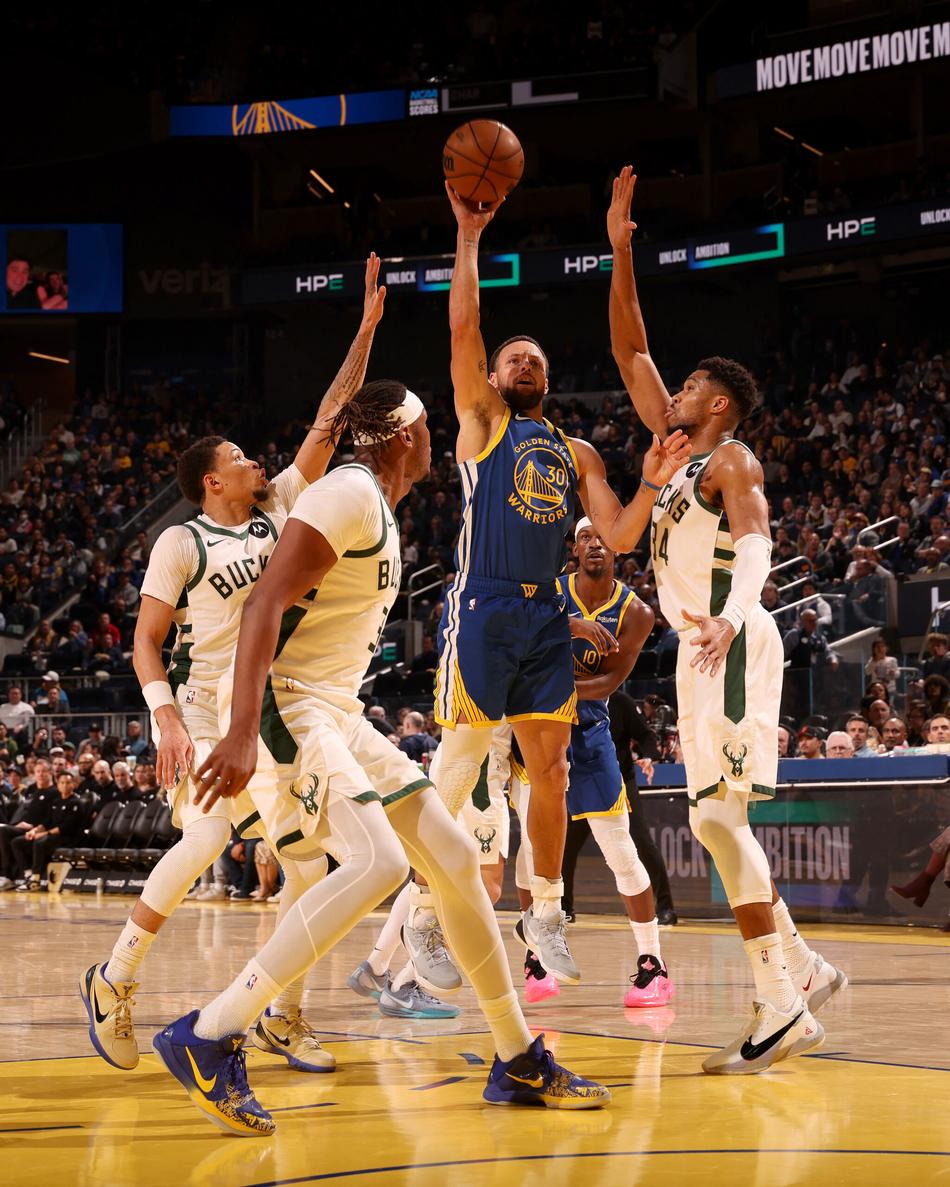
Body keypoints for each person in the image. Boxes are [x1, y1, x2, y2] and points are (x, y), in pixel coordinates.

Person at [152, 380, 611, 1136]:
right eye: (429, 424)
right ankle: (210, 1032)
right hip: (288, 705)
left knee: (457, 859)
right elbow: (265, 603)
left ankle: (517, 1054)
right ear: (404, 435)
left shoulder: (374, 502)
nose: (437, 437)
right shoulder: (348, 493)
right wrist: (238, 732)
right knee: (381, 864)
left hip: (333, 707)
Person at [79, 255, 388, 1076]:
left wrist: (363, 330)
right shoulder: (182, 539)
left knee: (309, 859)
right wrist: (165, 716)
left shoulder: (282, 506)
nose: (262, 461)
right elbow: (145, 638)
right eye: (245, 457)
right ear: (214, 480)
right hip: (209, 711)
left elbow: (327, 422)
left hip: (267, 708)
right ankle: (115, 979)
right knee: (213, 835)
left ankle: (283, 1015)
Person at [608, 163, 845, 1075]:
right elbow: (633, 353)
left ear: (715, 402)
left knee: (719, 822)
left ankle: (780, 1001)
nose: (667, 396)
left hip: (730, 636)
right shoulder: (672, 458)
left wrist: (732, 619)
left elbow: (756, 540)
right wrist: (620, 246)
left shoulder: (730, 457)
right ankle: (803, 968)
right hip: (699, 646)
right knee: (717, 820)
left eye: (686, 389)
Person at [427, 180, 690, 984]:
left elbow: (614, 534)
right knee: (454, 775)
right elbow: (465, 324)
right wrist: (469, 236)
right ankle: (423, 920)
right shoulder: (482, 421)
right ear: (496, 377)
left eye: (536, 358)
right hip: (483, 608)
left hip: (545, 614)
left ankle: (544, 914)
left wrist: (648, 481)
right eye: (515, 358)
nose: (526, 362)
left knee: (553, 772)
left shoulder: (575, 451)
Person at [555, 517, 673, 1006]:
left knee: (621, 851)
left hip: (586, 730)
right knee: (527, 853)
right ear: (574, 548)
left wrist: (546, 693)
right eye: (586, 537)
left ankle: (653, 964)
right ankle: (537, 958)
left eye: (603, 538)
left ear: (619, 549)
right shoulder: (549, 592)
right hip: (531, 729)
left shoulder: (637, 612)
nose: (595, 544)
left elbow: (607, 683)